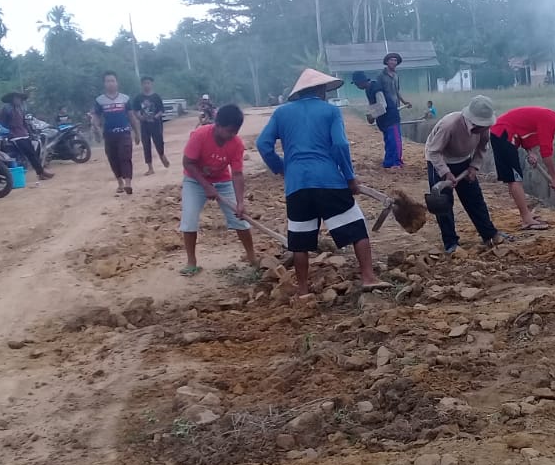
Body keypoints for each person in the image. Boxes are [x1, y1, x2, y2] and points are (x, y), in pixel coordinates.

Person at [256, 69, 388, 296]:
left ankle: (304, 289)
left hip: (297, 185)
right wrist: (350, 178)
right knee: (357, 228)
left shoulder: (281, 113)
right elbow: (340, 146)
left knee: (300, 238)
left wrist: (281, 168)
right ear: (319, 90)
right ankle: (368, 276)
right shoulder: (330, 112)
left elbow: (263, 144)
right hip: (328, 181)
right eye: (325, 90)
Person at [179, 104, 256, 276]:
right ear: (218, 125)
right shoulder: (200, 135)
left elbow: (237, 174)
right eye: (229, 131)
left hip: (223, 180)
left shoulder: (236, 144)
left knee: (240, 219)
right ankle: (191, 262)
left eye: (235, 131)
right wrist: (206, 186)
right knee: (189, 218)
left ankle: (252, 258)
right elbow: (187, 163)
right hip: (194, 180)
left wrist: (240, 202)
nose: (232, 135)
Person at [424, 95, 504, 254]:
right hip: (440, 160)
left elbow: (482, 148)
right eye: (481, 126)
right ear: (473, 121)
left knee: (475, 199)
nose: (484, 129)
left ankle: (489, 234)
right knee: (443, 203)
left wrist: (474, 166)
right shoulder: (450, 125)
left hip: (464, 160)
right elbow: (434, 152)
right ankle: (450, 243)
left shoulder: (484, 128)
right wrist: (446, 173)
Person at [489, 105, 555, 231]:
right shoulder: (550, 120)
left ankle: (526, 216)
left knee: (514, 178)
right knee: (515, 179)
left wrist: (530, 151)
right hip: (503, 132)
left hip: (503, 133)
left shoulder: (549, 117)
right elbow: (546, 153)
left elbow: (525, 131)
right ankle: (527, 219)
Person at [353, 54, 413, 168]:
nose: (356, 86)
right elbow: (372, 104)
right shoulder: (369, 88)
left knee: (395, 140)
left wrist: (373, 116)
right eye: (391, 60)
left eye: (356, 84)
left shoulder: (376, 87)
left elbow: (383, 104)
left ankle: (396, 162)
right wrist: (371, 114)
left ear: (361, 82)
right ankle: (388, 162)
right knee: (388, 140)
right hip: (383, 118)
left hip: (391, 115)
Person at [94, 71, 140, 195]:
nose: (110, 83)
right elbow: (97, 117)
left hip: (124, 133)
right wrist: (96, 128)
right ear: (104, 83)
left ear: (117, 82)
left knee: (125, 157)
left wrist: (137, 133)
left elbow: (131, 116)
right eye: (107, 81)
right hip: (109, 135)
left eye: (112, 80)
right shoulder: (100, 100)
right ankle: (120, 182)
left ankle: (128, 183)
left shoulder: (125, 99)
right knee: (113, 159)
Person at [0, 90, 54, 181]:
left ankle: (41, 172)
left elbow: (24, 122)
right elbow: (1, 123)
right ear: (12, 99)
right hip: (14, 136)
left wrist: (30, 133)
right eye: (17, 98)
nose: (19, 100)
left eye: (20, 99)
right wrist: (8, 132)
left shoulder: (21, 109)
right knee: (30, 154)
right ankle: (41, 172)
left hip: (23, 134)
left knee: (33, 153)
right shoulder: (6, 109)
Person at [131, 76, 169, 174]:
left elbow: (161, 110)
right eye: (144, 83)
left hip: (156, 124)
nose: (146, 85)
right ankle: (150, 167)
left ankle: (162, 155)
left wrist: (155, 117)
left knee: (159, 141)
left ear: (151, 84)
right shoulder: (138, 98)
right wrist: (140, 117)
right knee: (146, 145)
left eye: (148, 83)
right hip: (144, 125)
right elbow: (135, 111)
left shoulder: (156, 97)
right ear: (141, 85)